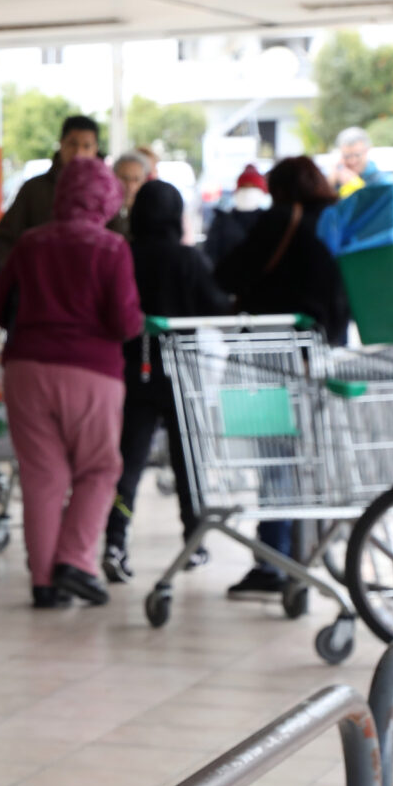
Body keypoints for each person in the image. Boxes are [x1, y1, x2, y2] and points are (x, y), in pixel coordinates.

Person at [0, 155, 143, 609]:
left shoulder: (29, 243)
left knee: (43, 477)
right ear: (108, 199)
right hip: (92, 373)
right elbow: (125, 321)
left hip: (25, 371)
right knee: (99, 469)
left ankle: (44, 584)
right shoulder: (113, 248)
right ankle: (75, 560)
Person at [214, 155, 350, 599]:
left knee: (275, 461)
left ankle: (275, 559)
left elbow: (227, 273)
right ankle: (299, 553)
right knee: (303, 459)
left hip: (264, 353)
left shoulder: (280, 222)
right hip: (318, 354)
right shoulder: (333, 223)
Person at [104, 179, 232, 583]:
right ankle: (194, 539)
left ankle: (115, 540)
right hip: (182, 375)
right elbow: (217, 309)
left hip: (133, 373)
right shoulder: (186, 259)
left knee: (129, 464)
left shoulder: (123, 255)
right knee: (186, 462)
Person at [0, 114, 101, 267]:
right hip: (40, 280)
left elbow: (118, 239)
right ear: (62, 144)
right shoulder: (34, 189)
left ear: (96, 149)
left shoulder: (105, 193)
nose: (78, 152)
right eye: (72, 144)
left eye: (86, 146)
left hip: (91, 280)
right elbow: (3, 240)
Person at [202, 164, 268, 267]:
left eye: (253, 187)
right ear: (237, 190)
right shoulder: (222, 221)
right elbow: (210, 255)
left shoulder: (269, 220)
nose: (248, 192)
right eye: (244, 187)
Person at [335, 125, 382, 197]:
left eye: (357, 155)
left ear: (367, 150)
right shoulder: (337, 177)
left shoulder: (380, 179)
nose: (352, 161)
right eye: (347, 156)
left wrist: (355, 184)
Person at [112, 153, 151, 233]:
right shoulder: (103, 209)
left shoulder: (151, 212)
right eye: (124, 178)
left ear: (145, 180)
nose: (130, 185)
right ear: (113, 177)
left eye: (136, 179)